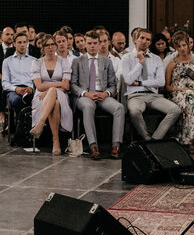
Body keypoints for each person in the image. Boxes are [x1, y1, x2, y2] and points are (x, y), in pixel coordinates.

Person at [70, 30, 124, 159]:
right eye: (89, 43)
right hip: (85, 95)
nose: (92, 46)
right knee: (89, 107)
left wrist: (106, 93)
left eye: (95, 43)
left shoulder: (107, 61)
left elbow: (112, 84)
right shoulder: (77, 61)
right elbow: (73, 85)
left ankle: (116, 146)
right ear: (85, 45)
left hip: (102, 95)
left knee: (119, 108)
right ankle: (93, 146)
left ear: (99, 44)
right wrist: (85, 93)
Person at [121, 28, 182, 142]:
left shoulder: (156, 59)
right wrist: (140, 63)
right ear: (135, 39)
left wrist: (140, 83)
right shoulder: (127, 58)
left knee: (175, 110)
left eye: (147, 39)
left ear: (150, 43)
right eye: (142, 38)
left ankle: (155, 139)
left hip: (154, 96)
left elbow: (160, 82)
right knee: (134, 112)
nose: (144, 41)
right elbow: (128, 80)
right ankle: (147, 139)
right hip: (135, 95)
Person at [164, 30, 194, 152]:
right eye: (178, 46)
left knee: (192, 102)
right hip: (178, 94)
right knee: (189, 99)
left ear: (188, 44)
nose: (181, 49)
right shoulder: (172, 63)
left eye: (183, 45)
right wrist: (181, 89)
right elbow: (167, 86)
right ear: (175, 47)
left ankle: (191, 140)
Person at [30, 38, 72, 155]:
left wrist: (50, 89)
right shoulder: (37, 63)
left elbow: (66, 86)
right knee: (56, 104)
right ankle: (56, 141)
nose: (50, 47)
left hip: (61, 94)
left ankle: (40, 123)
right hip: (40, 96)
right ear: (42, 47)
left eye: (53, 44)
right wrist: (57, 84)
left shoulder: (64, 62)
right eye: (47, 45)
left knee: (54, 92)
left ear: (56, 46)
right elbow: (38, 86)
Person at [0, 31, 37, 121]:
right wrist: (16, 89)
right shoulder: (7, 61)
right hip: (14, 90)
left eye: (24, 42)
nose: (22, 45)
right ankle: (24, 126)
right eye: (19, 42)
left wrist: (31, 88)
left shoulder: (34, 61)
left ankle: (22, 127)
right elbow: (4, 83)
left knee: (36, 101)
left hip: (29, 89)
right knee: (16, 100)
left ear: (27, 43)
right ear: (14, 44)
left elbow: (36, 80)